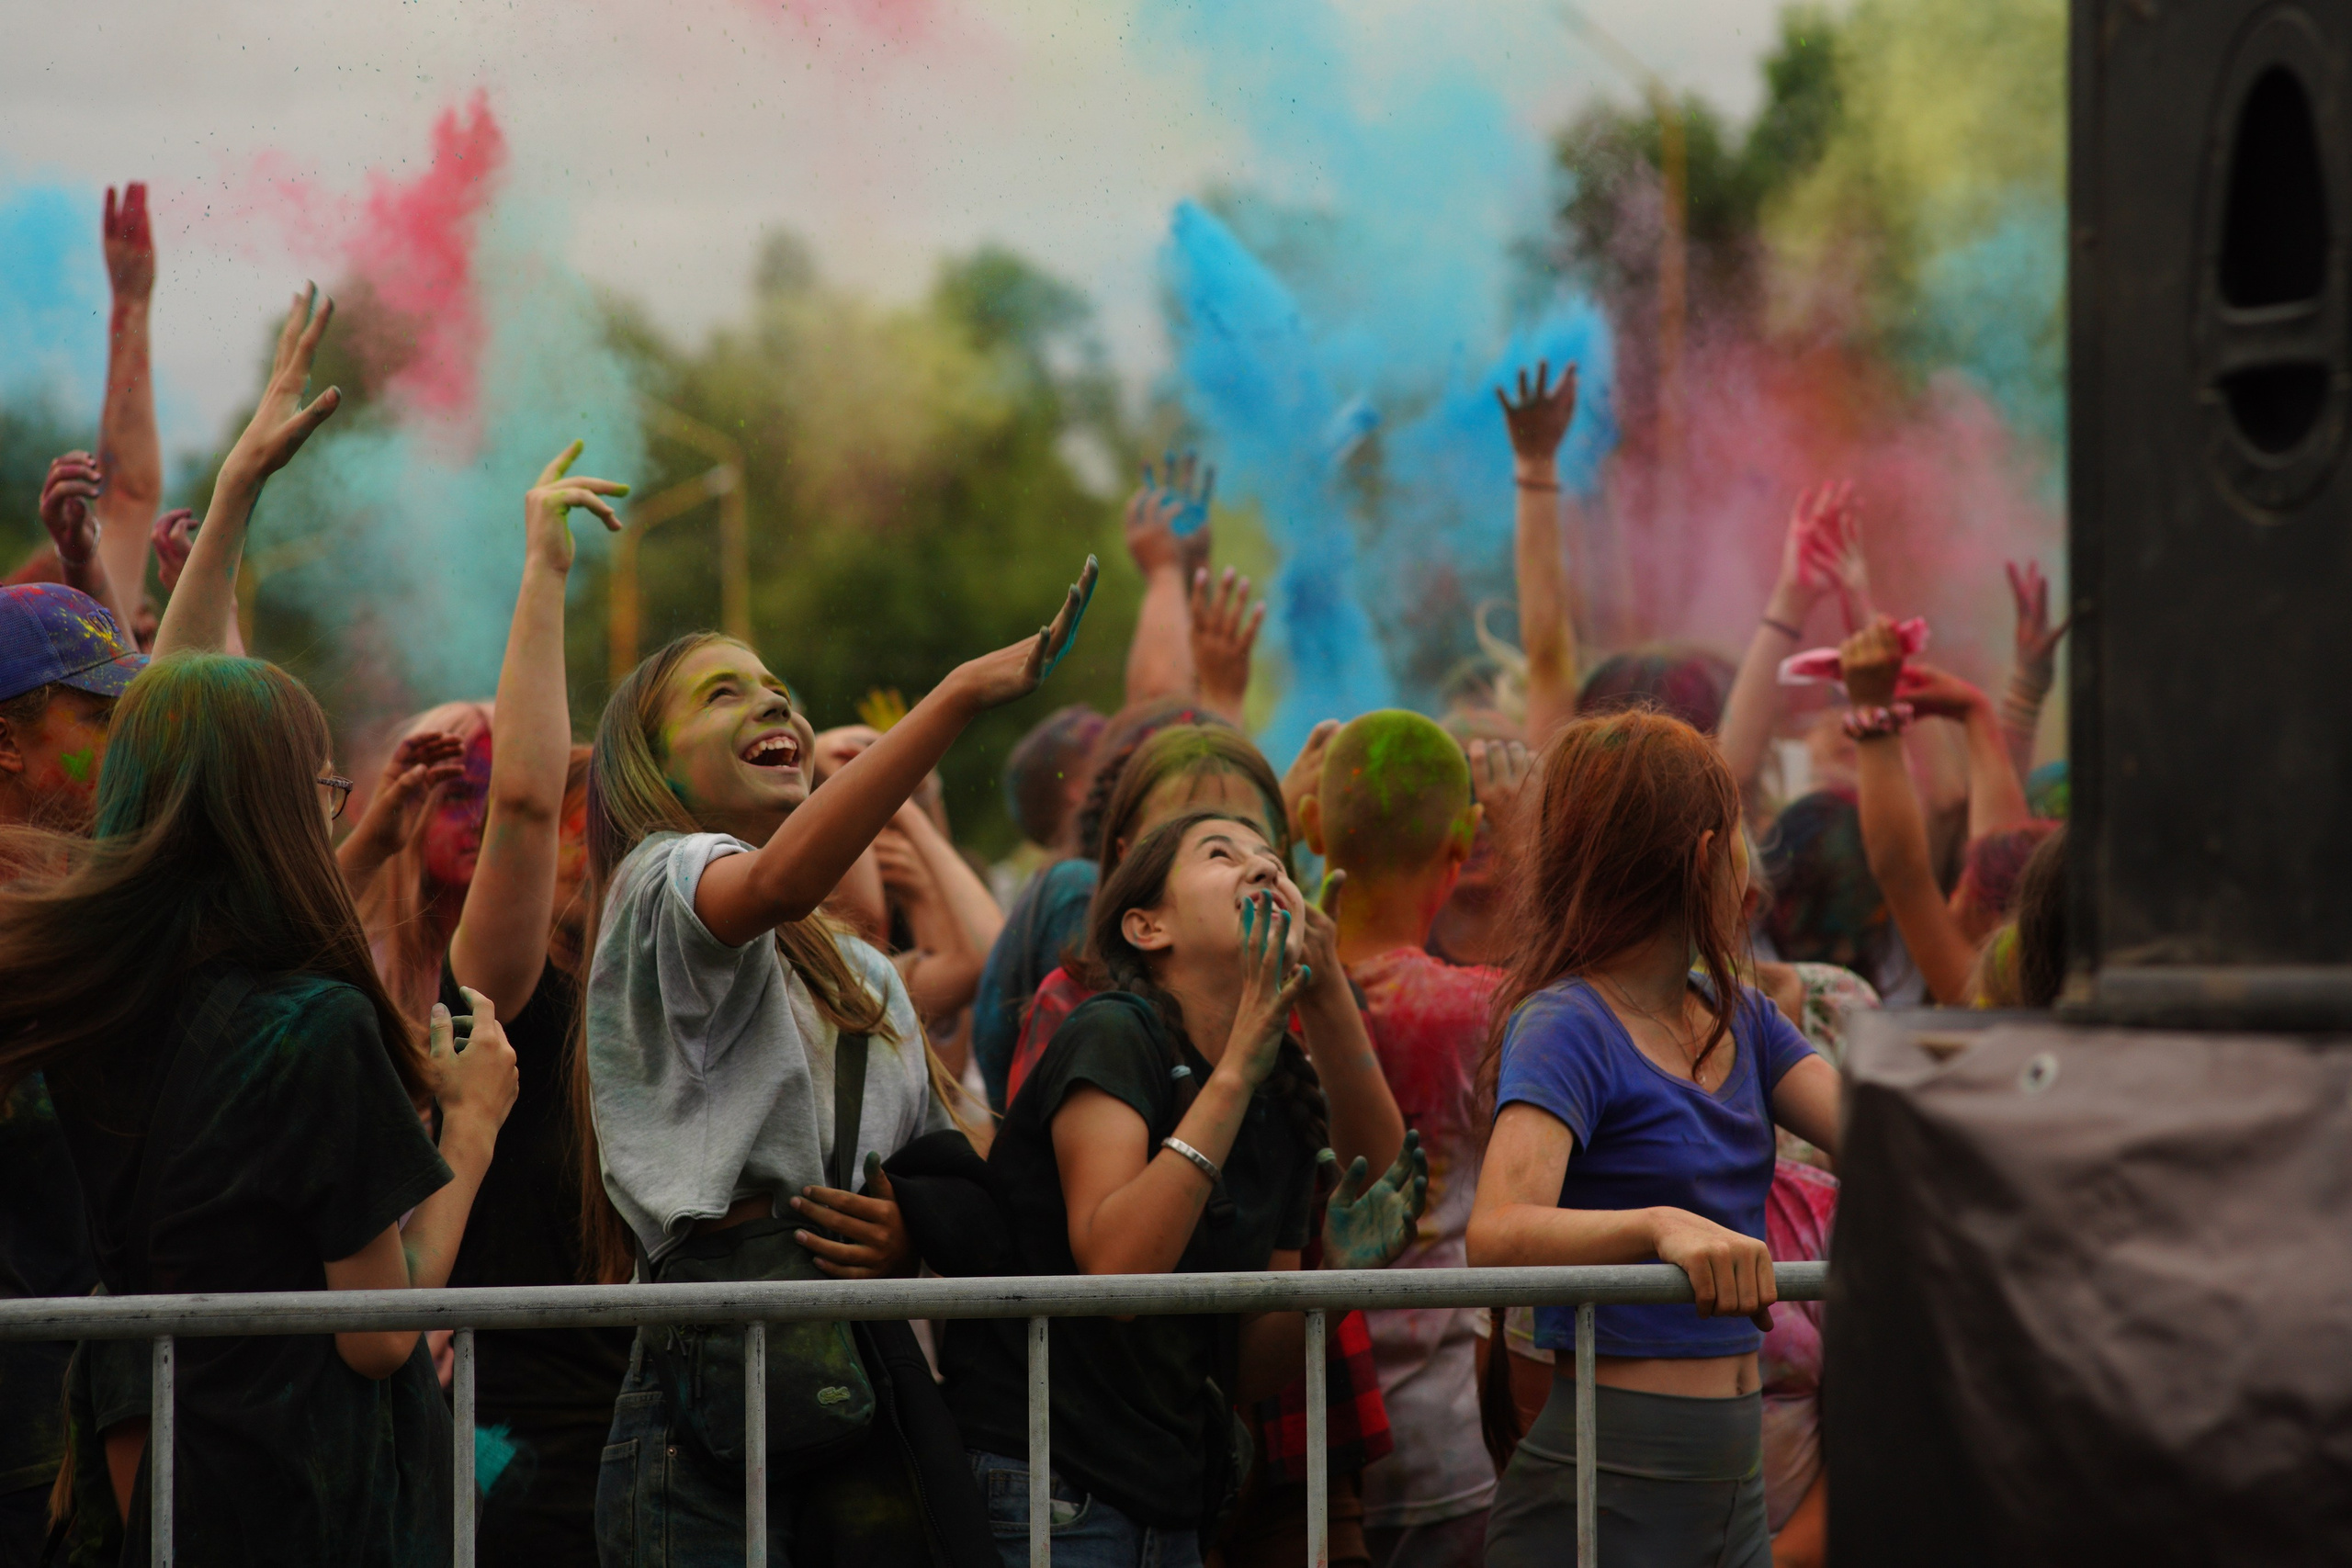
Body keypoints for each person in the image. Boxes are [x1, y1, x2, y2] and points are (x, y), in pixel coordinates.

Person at [584, 558, 1094, 1567]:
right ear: (653, 770)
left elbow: (948, 1163)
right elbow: (775, 884)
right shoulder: (655, 882)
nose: (772, 700)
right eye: (721, 692)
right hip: (708, 1417)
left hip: (858, 1389)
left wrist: (908, 1229)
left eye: (778, 687)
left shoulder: (866, 974)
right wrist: (958, 696)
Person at [0, 651, 520, 1566]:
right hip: (317, 1499)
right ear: (272, 804)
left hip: (181, 1488)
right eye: (323, 787)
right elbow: (376, 1337)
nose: (331, 811)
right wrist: (471, 1128)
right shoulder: (314, 1025)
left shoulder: (99, 1010)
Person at [942, 808, 1422, 1568]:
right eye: (1221, 853)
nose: (1264, 868)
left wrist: (1334, 1281)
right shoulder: (1113, 1032)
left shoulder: (1282, 1094)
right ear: (1146, 927)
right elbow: (1118, 1273)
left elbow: (1246, 1364)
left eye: (1272, 858)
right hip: (1048, 1489)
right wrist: (1236, 1069)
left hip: (1166, 1502)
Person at [1466, 709, 1840, 1568]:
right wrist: (1660, 1227)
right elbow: (1497, 1230)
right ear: (1704, 855)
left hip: (1732, 1493)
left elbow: (1889, 1145)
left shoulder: (1745, 1017)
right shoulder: (1567, 1022)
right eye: (1740, 831)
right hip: (1607, 1492)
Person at [417, 443, 630, 1566]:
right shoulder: (505, 996)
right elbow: (524, 805)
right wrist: (544, 571)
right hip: (533, 1465)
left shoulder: (687, 988)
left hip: (693, 1449)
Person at [1297, 712, 1532, 1568]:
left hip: (1306, 1428)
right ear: (1462, 842)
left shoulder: (1258, 994)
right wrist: (1525, 840)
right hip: (1447, 1435)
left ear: (1313, 826)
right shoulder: (1478, 1009)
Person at [0, 582, 145, 1566]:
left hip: (98, 1408)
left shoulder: (101, 902)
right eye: (97, 718)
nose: (123, 746)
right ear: (6, 744)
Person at [1002, 721, 1292, 1105]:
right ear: (1128, 860)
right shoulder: (1084, 1011)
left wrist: (1330, 1000)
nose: (1255, 868)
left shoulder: (1311, 991)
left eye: (1257, 843)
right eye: (1217, 852)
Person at [1837, 616, 2035, 1003]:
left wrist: (1872, 715)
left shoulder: (1989, 997)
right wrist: (1975, 711)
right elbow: (2000, 857)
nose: (1954, 894)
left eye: (1966, 886)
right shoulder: (2036, 980)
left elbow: (1902, 874)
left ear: (1991, 916)